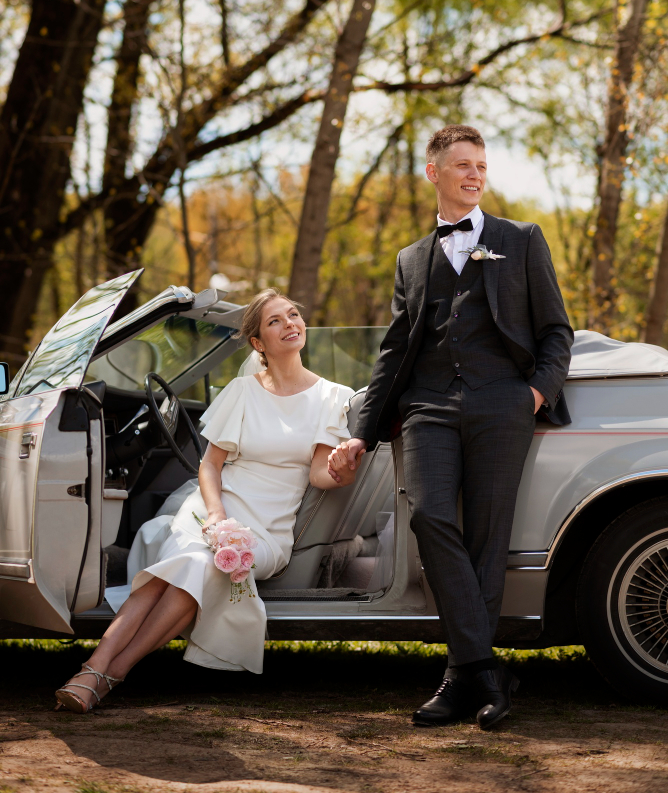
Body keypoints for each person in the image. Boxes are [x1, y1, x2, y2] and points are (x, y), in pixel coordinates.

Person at [328, 125, 573, 730]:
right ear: (433, 172)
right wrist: (362, 430)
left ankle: (460, 679)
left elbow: (556, 331)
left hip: (504, 403)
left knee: (489, 538)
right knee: (430, 516)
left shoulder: (521, 239)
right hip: (429, 406)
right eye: (463, 165)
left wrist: (534, 393)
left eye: (481, 166)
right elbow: (394, 351)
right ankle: (485, 672)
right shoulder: (411, 259)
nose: (475, 175)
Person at [54, 289, 355, 712]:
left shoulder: (332, 396)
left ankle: (107, 672)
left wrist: (344, 469)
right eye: (275, 321)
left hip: (268, 531)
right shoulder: (242, 391)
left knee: (199, 566)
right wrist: (215, 514)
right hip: (211, 509)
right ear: (258, 343)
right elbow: (210, 467)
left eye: (293, 315)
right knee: (189, 563)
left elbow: (320, 474)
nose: (290, 323)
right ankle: (97, 671)